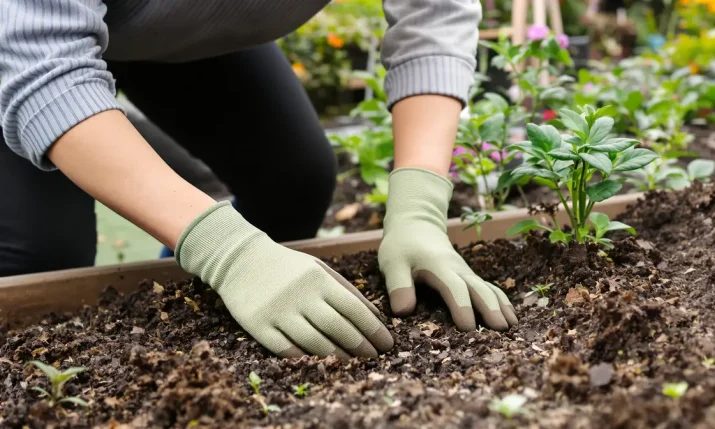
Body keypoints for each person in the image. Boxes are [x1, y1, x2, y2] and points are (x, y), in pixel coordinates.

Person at [0, 0, 518, 360]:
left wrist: (419, 208)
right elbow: (40, 61)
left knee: (292, 182)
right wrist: (223, 249)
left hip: (163, 22)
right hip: (17, 35)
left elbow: (434, 15)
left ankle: (176, 311)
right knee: (40, 261)